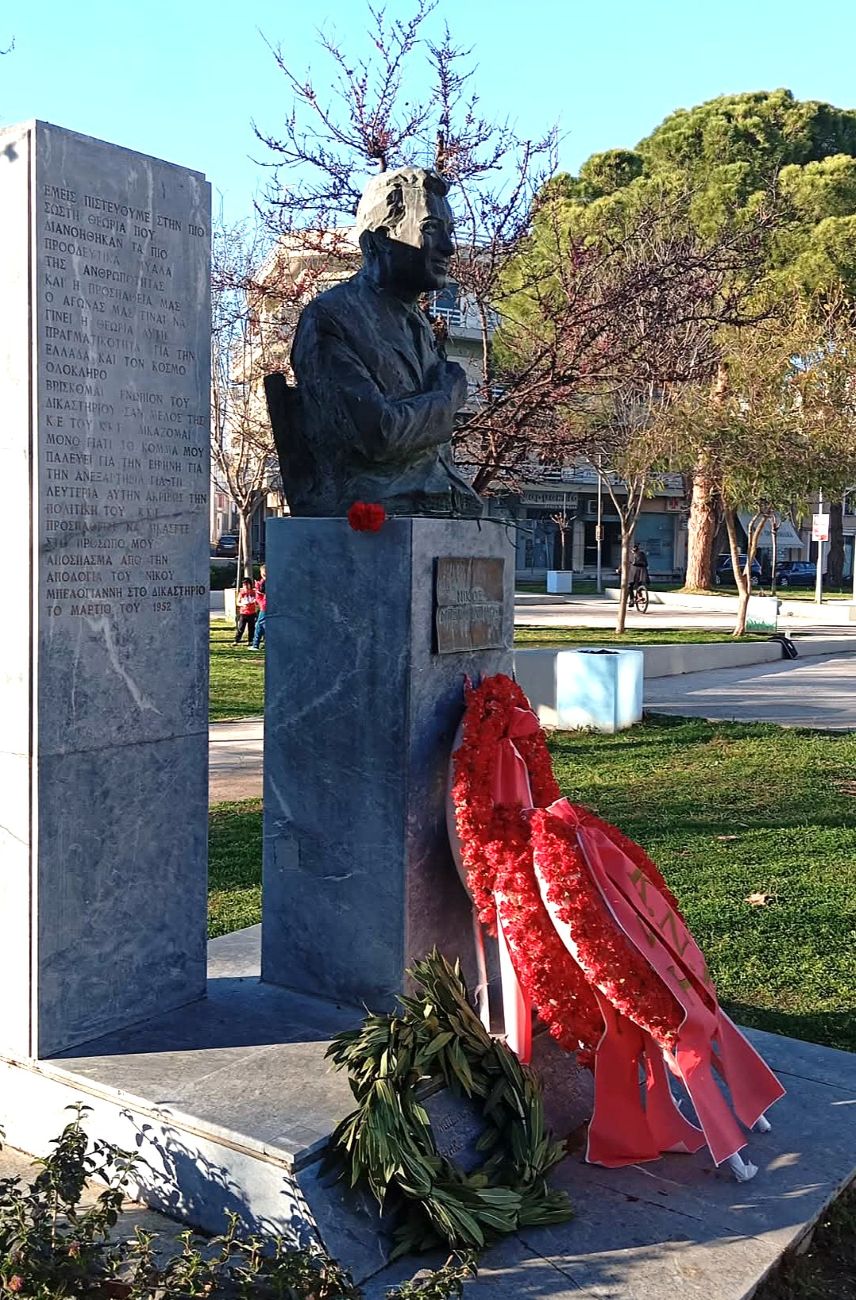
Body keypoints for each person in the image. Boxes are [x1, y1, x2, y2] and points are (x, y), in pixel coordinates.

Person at [264, 166, 484, 519]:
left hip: (438, 506)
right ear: (380, 240)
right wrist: (446, 398)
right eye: (430, 229)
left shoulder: (419, 325)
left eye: (450, 231)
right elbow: (377, 434)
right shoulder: (332, 317)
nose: (448, 247)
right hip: (372, 506)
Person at [234, 576, 258, 646]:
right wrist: (242, 604)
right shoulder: (242, 593)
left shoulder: (254, 592)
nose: (246, 586)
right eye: (244, 585)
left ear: (250, 585)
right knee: (241, 627)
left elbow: (257, 601)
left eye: (247, 584)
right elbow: (238, 602)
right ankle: (237, 640)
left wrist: (255, 602)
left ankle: (250, 640)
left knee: (251, 628)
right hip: (243, 613)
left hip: (252, 612)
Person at [249, 565, 267, 650]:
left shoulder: (263, 582)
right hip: (264, 605)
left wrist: (257, 588)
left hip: (265, 606)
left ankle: (255, 645)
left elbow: (261, 591)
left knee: (259, 625)